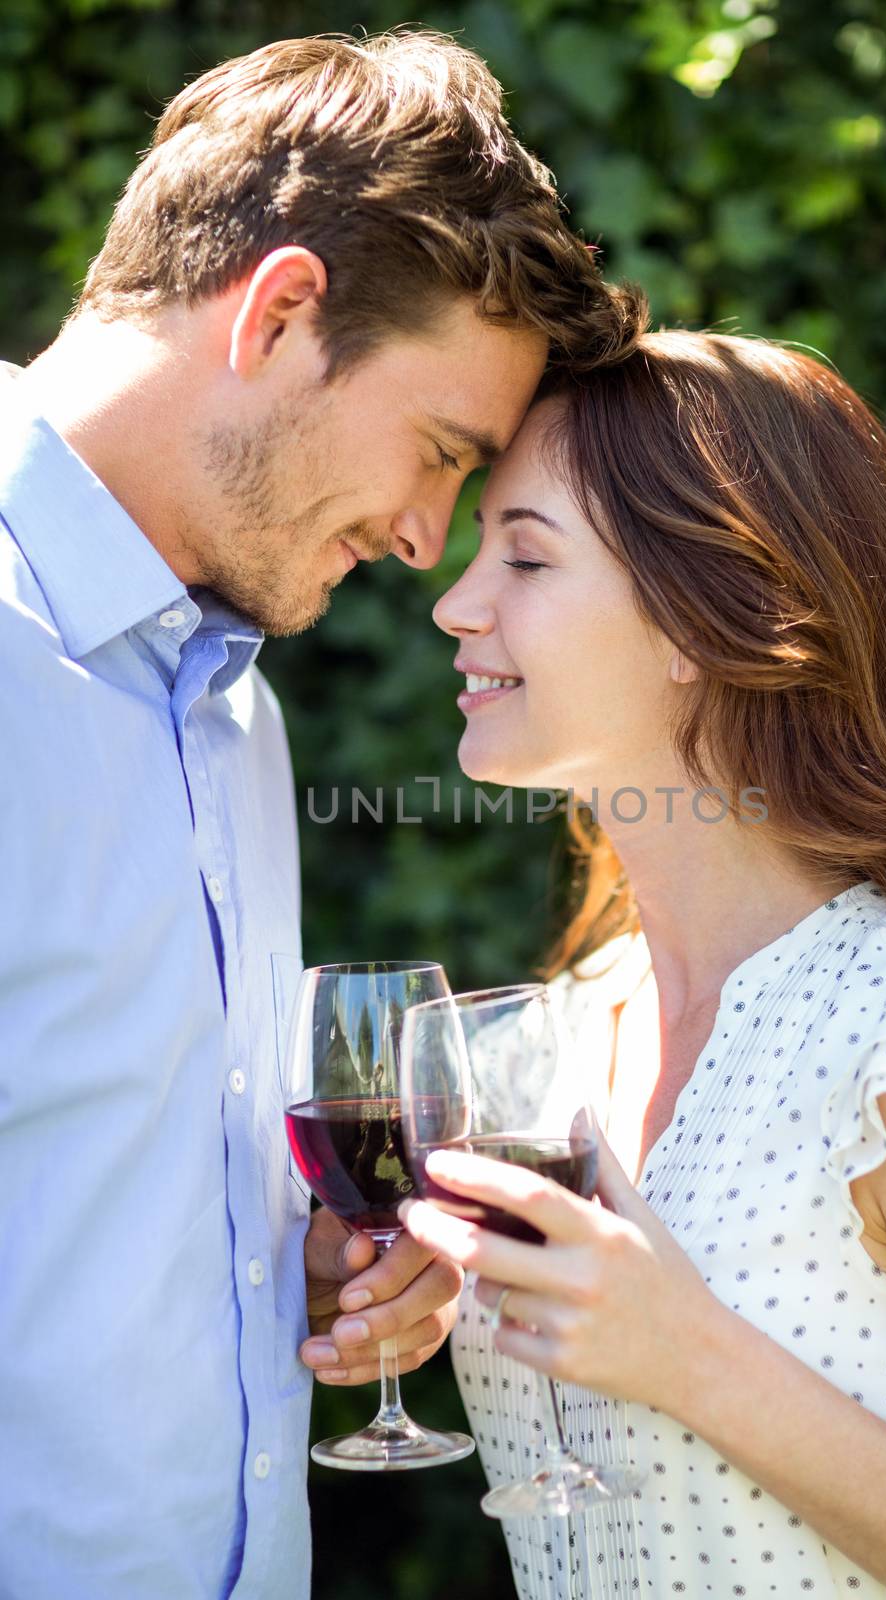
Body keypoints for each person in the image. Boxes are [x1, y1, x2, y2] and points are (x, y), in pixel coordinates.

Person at [0, 31, 644, 1600]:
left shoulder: (236, 711)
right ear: (281, 311)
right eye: (439, 453)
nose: (430, 540)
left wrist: (278, 1269)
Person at [402, 330, 886, 1598]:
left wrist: (687, 1354)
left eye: (527, 556)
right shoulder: (533, 1048)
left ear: (703, 621)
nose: (455, 600)